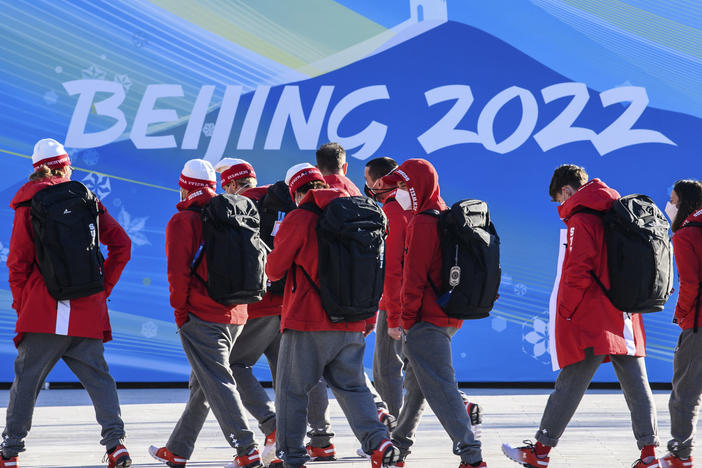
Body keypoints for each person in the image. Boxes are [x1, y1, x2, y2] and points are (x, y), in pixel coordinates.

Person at [502, 164, 660, 468]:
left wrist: (566, 309)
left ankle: (541, 451)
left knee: (571, 382)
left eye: (559, 201)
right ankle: (649, 454)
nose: (561, 207)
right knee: (636, 383)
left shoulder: (582, 215)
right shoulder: (614, 208)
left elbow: (578, 268)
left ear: (566, 191)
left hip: (593, 316)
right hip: (623, 311)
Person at [1, 138, 132, 468]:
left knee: (26, 380)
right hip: (87, 309)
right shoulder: (86, 198)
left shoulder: (29, 203)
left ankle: (10, 452)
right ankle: (116, 445)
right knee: (99, 380)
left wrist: (22, 303)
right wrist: (103, 289)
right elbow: (122, 245)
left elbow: (17, 262)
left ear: (36, 169)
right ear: (65, 165)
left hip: (43, 311)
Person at [149, 158, 283, 467]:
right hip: (238, 312)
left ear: (185, 188)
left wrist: (180, 313)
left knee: (217, 382)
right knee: (203, 384)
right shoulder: (236, 210)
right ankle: (178, 450)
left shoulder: (183, 221)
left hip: (201, 314)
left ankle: (246, 447)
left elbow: (178, 275)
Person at [266, 163, 400, 468]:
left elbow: (274, 270)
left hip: (307, 322)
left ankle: (293, 456)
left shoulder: (300, 218)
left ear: (297, 192)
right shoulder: (358, 213)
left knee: (292, 391)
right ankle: (379, 444)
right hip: (352, 320)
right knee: (353, 388)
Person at [380, 159, 486, 468]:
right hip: (447, 315)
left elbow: (412, 279)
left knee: (440, 387)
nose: (400, 193)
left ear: (418, 186)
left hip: (425, 319)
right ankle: (398, 447)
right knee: (416, 386)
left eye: (403, 186)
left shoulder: (424, 222)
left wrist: (404, 320)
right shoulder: (445, 214)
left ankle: (471, 455)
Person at [659, 179, 702, 468]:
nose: (670, 205)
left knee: (685, 391)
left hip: (698, 323)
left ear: (684, 202)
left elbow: (690, 283)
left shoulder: (687, 235)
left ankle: (680, 453)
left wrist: (681, 314)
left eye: (673, 200)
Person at [364, 157, 410, 418]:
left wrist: (392, 315)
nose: (367, 186)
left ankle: (391, 429)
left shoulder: (391, 211)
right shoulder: (412, 204)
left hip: (396, 301)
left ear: (379, 182)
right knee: (422, 367)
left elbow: (392, 268)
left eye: (368, 180)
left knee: (386, 370)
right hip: (414, 297)